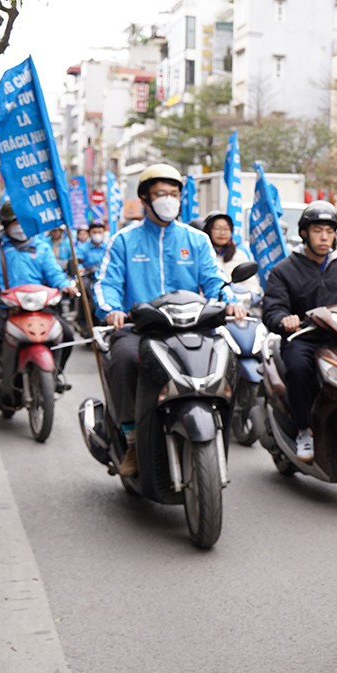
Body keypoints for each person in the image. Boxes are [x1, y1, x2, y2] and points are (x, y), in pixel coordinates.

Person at [95, 165, 247, 477]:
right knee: (123, 358)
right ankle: (132, 438)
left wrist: (231, 302)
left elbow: (214, 280)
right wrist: (112, 308)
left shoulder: (197, 240)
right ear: (145, 199)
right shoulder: (124, 240)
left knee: (231, 357)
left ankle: (219, 428)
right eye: (161, 194)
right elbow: (106, 284)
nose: (169, 200)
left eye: (174, 194)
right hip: (140, 329)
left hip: (192, 327)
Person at [262, 200, 337, 461]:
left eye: (329, 231)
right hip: (303, 339)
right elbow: (272, 309)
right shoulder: (284, 270)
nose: (324, 237)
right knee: (298, 369)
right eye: (317, 230)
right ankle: (304, 429)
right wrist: (285, 320)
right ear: (304, 233)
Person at [0, 203, 76, 400]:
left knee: (67, 334)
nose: (20, 226)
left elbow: (54, 273)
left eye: (23, 221)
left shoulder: (41, 246)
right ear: (6, 224)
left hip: (39, 306)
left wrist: (65, 285)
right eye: (15, 222)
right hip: (5, 306)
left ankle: (56, 373)